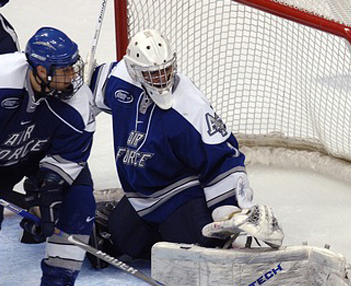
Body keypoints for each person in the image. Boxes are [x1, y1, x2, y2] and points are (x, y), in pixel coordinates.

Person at [88, 29, 281, 264]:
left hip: (180, 192)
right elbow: (88, 86)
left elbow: (224, 158)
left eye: (166, 70)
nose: (161, 79)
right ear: (134, 70)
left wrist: (231, 212)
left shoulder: (190, 106)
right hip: (140, 196)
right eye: (152, 74)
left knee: (191, 249)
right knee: (125, 241)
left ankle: (221, 238)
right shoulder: (119, 79)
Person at [0, 26, 95, 286]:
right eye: (64, 70)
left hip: (36, 154)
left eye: (72, 66)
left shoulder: (76, 97)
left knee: (77, 201)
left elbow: (72, 153)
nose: (72, 76)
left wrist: (51, 187)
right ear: (40, 70)